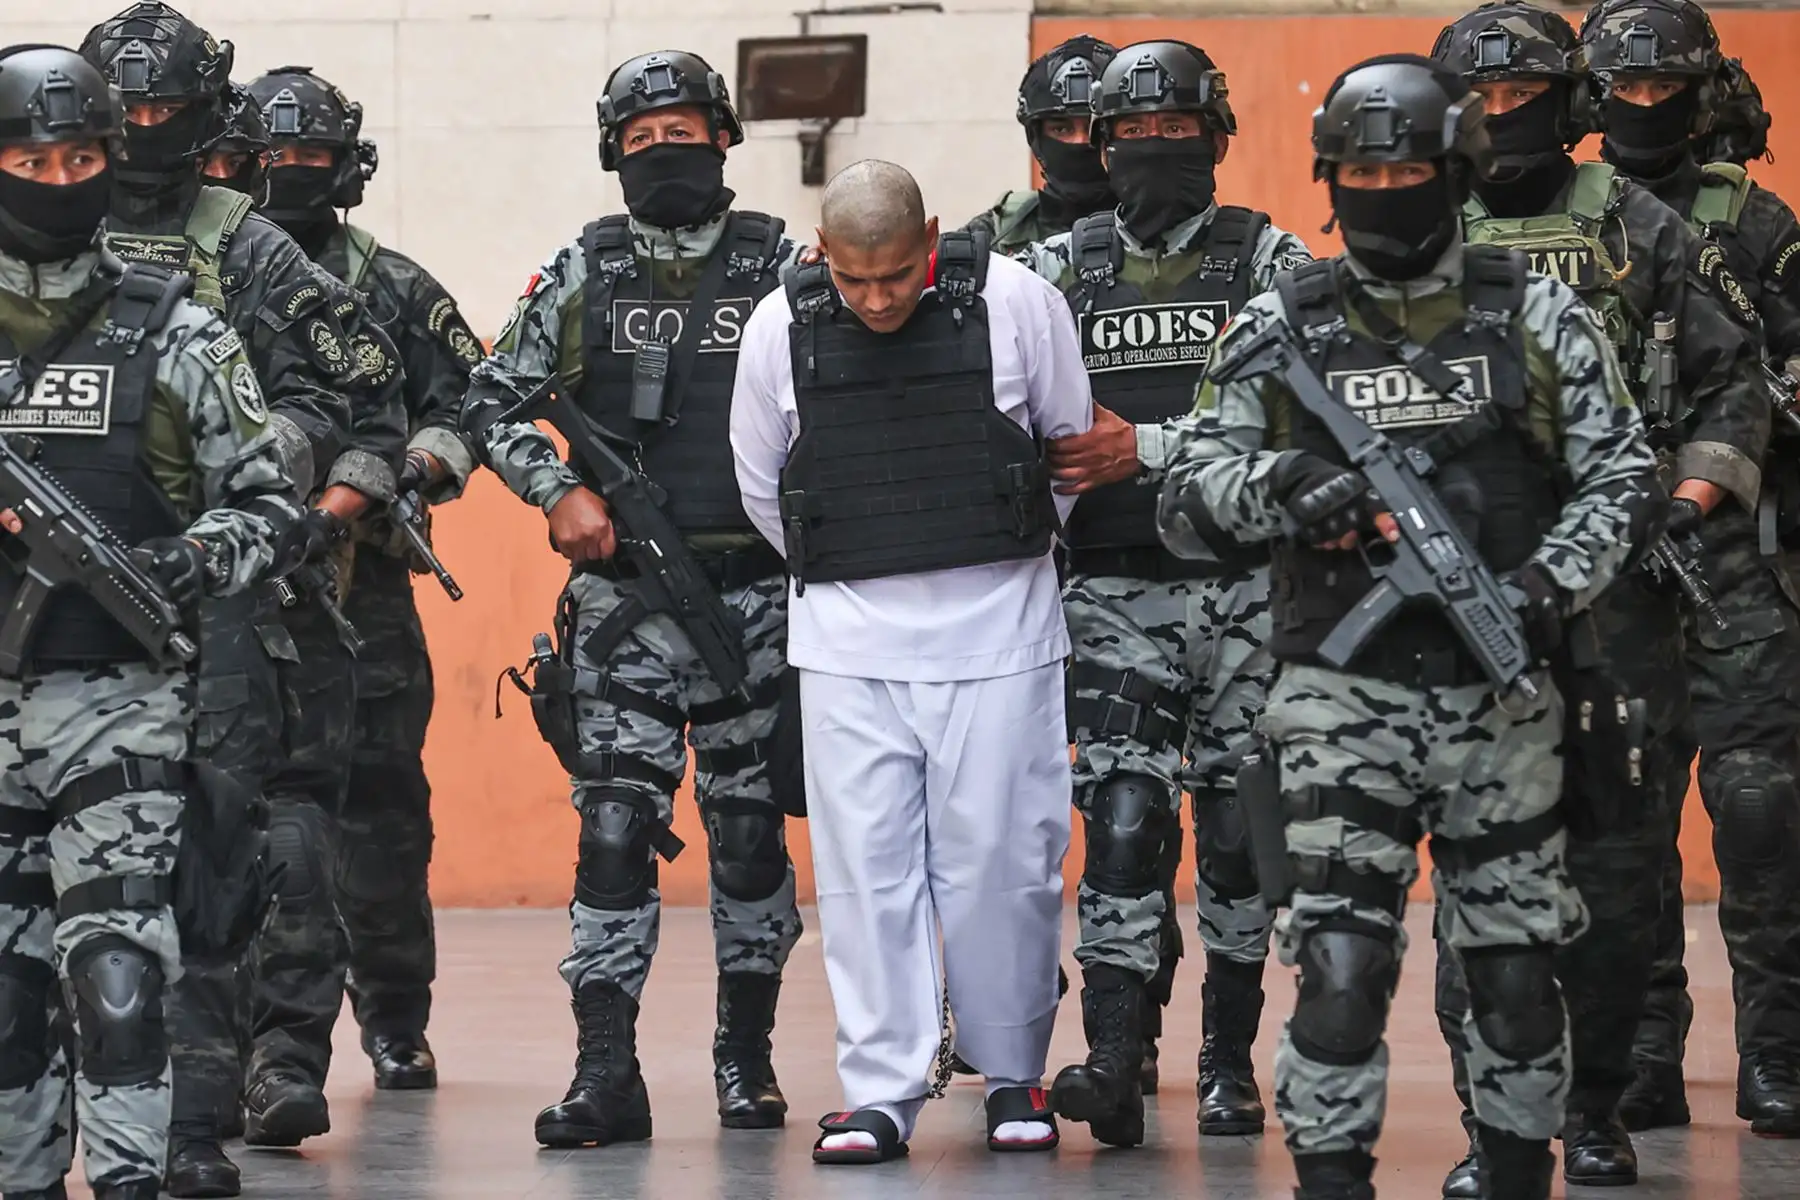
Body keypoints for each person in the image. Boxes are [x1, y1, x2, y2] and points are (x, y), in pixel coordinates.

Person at [1159, 54, 1665, 1200]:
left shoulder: (1534, 312)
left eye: (1412, 166)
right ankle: (1331, 1178)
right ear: (1331, 179)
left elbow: (1624, 475)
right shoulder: (1280, 321)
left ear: (1460, 172)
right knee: (1339, 967)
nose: (1386, 186)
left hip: (1506, 700)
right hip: (1340, 698)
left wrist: (1547, 583)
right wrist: (1284, 480)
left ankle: (1510, 1167)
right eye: (1363, 168)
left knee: (1519, 979)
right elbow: (1186, 490)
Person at [1428, 3, 1775, 1189]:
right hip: (1471, 597)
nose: (1501, 121)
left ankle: (1602, 1103)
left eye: (1526, 98)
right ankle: (1498, 1126)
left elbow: (1737, 384)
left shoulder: (1640, 226)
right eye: (1481, 101)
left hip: (1624, 588)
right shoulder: (1410, 237)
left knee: (1624, 866)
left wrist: (1689, 502)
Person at [80, 2, 409, 1184]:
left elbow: (367, 404)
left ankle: (253, 1074)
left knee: (262, 838)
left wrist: (295, 505)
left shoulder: (250, 245)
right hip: (72, 605)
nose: (142, 129)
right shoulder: (37, 239)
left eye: (164, 107)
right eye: (124, 112)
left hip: (243, 597)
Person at [459, 49, 804, 1148]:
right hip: (622, 608)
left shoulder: (785, 267)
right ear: (615, 154)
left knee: (749, 841)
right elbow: (490, 400)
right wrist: (557, 488)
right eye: (643, 137)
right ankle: (607, 1072)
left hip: (758, 602)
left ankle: (744, 1063)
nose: (667, 150)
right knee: (614, 831)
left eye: (685, 130)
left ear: (724, 137)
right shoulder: (583, 270)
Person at [731, 157, 1091, 1164]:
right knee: (866, 874)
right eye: (855, 280)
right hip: (848, 639)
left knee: (1004, 866)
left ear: (931, 238)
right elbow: (765, 487)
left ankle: (1013, 1073)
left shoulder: (1019, 301)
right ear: (823, 256)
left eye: (897, 275)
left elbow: (1063, 450)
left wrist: (998, 551)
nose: (879, 298)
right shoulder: (780, 325)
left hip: (1002, 631)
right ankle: (880, 1089)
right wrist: (857, 567)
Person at [0, 44, 302, 1200]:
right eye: (32, 156)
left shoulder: (173, 327)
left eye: (81, 157)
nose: (57, 177)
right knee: (8, 993)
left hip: (118, 698)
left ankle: (130, 1180)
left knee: (119, 977)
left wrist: (184, 559)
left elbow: (270, 508)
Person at [1011, 37, 1313, 1144]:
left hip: (1246, 592)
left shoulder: (1272, 260)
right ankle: (1114, 1056)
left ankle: (1229, 1059)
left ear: (1217, 138)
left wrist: (1152, 445)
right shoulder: (1054, 269)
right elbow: (999, 398)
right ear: (1097, 146)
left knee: (1237, 834)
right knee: (1126, 822)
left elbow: (1308, 419)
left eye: (1176, 130)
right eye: (1131, 134)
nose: (1153, 150)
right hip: (1108, 592)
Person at [1581, 0, 1800, 1139]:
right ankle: (1643, 1055)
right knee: (1626, 814)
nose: (1646, 107)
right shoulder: (1558, 221)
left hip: (1736, 549)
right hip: (1607, 551)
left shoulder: (1758, 221)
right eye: (1628, 85)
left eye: (1669, 86)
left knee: (1758, 807)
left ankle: (1777, 1054)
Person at [243, 64, 482, 1096]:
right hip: (242, 591)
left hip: (366, 593)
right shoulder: (213, 273)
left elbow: (469, 399)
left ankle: (395, 1019)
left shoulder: (394, 284)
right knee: (253, 826)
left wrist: (418, 469)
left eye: (312, 156)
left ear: (348, 167)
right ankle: (264, 1044)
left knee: (384, 820)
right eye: (271, 156)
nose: (291, 173)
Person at [964, 35, 1117, 255]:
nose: (1081, 141)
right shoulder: (996, 235)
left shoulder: (1164, 229)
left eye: (1096, 127)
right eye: (1062, 129)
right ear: (1036, 137)